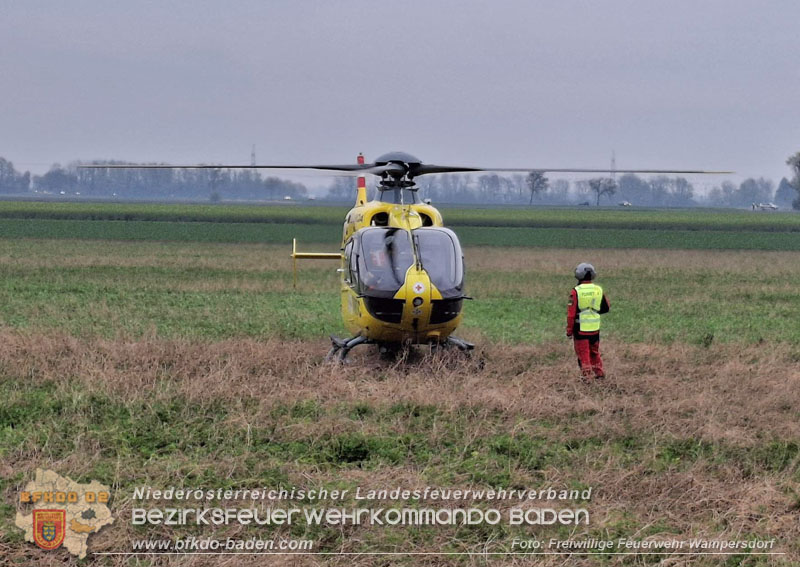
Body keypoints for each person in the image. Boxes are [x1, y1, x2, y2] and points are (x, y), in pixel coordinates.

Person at [566, 263, 610, 381]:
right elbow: (606, 307)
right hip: (595, 329)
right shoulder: (598, 289)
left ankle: (587, 379)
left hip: (581, 330)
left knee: (583, 355)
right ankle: (599, 376)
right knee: (594, 353)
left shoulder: (576, 291)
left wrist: (569, 331)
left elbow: (571, 314)